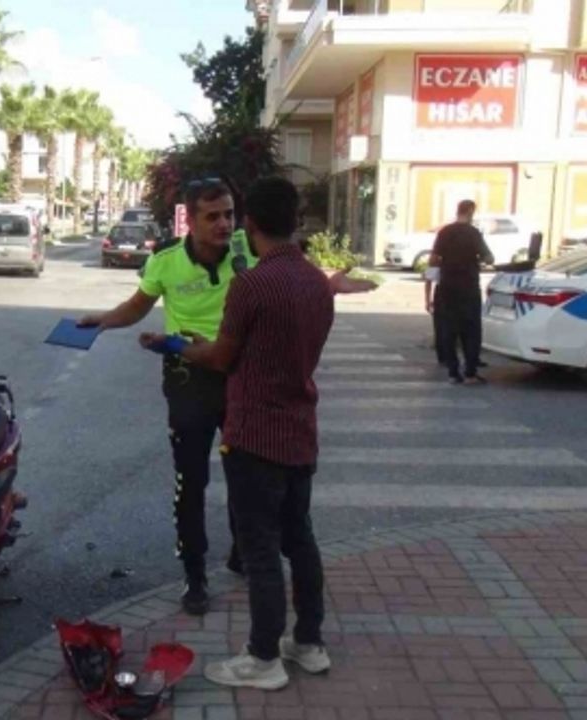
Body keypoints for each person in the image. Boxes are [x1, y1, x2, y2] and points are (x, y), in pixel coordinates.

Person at [149, 176, 376, 690]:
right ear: (296, 224)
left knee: (259, 549)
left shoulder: (251, 284)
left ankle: (263, 657)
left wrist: (175, 346)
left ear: (249, 225)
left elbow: (223, 356)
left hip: (254, 433)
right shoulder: (317, 283)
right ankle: (309, 642)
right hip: (300, 426)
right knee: (301, 538)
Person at [77, 178, 253, 616]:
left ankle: (241, 549)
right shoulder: (166, 260)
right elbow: (139, 306)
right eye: (212, 216)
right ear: (189, 221)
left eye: (229, 214)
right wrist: (102, 320)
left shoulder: (246, 253)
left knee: (246, 474)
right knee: (191, 482)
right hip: (188, 377)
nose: (223, 224)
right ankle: (195, 576)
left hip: (239, 375)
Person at [429, 200, 493, 385]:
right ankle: (470, 372)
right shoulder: (473, 233)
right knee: (471, 330)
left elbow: (433, 259)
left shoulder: (444, 232)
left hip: (447, 287)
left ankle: (453, 372)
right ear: (471, 212)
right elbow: (489, 257)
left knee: (449, 329)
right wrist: (479, 259)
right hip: (469, 287)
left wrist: (446, 264)